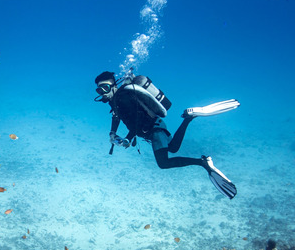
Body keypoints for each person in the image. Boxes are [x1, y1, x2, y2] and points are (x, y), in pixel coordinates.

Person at [94, 70, 239, 199]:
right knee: (173, 148)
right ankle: (189, 118)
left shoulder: (122, 98)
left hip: (153, 130)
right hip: (156, 126)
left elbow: (136, 122)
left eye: (105, 88)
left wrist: (128, 138)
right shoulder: (115, 101)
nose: (103, 93)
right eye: (99, 91)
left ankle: (203, 162)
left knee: (163, 163)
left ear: (114, 85)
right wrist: (113, 133)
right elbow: (117, 116)